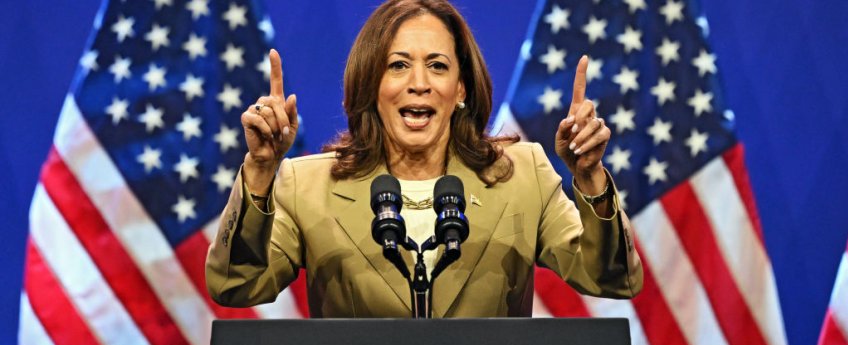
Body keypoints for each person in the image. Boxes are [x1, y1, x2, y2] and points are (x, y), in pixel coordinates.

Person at [205, 0, 643, 318]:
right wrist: (261, 169)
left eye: (437, 66)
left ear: (461, 90)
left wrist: (589, 179)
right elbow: (235, 285)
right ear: (371, 85)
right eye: (397, 66)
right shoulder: (308, 186)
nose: (419, 83)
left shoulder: (521, 175)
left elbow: (612, 279)